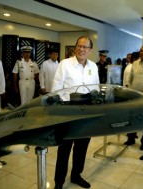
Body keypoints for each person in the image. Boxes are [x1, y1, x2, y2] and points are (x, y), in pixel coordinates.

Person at [51, 36, 99, 189]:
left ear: (90, 50)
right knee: (64, 148)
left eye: (85, 47)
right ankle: (59, 181)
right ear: (75, 47)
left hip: (87, 111)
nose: (81, 49)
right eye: (79, 46)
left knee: (81, 147)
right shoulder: (65, 64)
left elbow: (96, 87)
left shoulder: (93, 66)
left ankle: (76, 175)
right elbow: (56, 89)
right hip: (68, 110)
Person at [124, 45, 143, 146]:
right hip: (134, 95)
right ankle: (131, 139)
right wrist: (130, 92)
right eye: (141, 51)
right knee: (132, 117)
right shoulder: (134, 63)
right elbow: (130, 79)